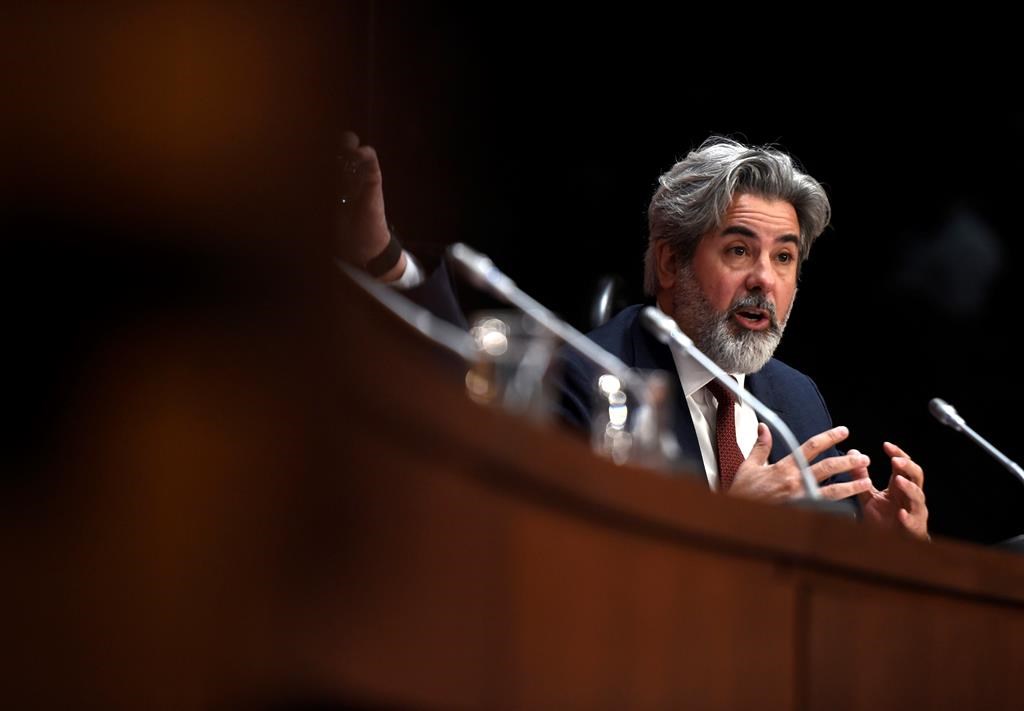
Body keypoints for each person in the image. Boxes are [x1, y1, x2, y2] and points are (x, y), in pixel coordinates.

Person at [338, 132, 929, 541]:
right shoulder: (586, 379)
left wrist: (880, 549)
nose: (763, 280)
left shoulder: (796, 399)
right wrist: (726, 522)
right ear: (671, 264)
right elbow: (564, 567)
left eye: (784, 257)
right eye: (739, 250)